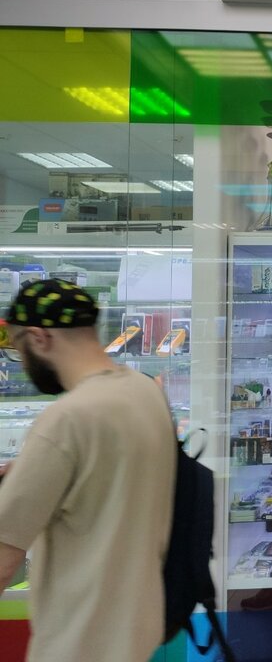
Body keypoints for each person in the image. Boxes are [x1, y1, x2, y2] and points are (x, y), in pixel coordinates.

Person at [0, 279, 176, 662]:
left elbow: (4, 554)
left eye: (17, 349)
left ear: (39, 337)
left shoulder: (65, 420)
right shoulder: (146, 392)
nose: (22, 362)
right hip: (136, 634)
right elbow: (106, 480)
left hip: (76, 644)